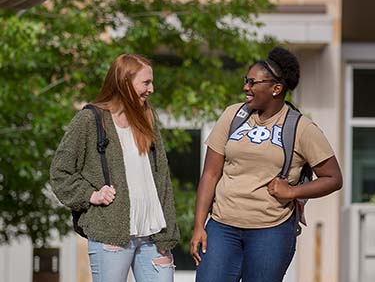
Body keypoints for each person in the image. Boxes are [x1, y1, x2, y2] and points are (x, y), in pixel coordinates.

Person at [190, 46, 343, 282]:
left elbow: (333, 178)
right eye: (246, 81)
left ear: (276, 88)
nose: (245, 87)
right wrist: (199, 225)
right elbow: (210, 174)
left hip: (271, 230)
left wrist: (292, 191)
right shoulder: (233, 116)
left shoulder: (301, 128)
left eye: (253, 82)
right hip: (222, 227)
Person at [50, 54, 180, 282]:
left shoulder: (148, 117)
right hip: (111, 233)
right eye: (146, 82)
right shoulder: (90, 120)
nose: (152, 89)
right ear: (124, 82)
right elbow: (60, 172)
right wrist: (91, 195)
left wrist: (168, 233)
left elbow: (163, 178)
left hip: (153, 235)